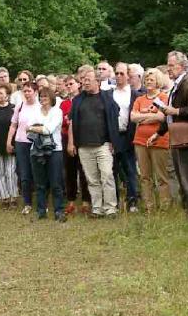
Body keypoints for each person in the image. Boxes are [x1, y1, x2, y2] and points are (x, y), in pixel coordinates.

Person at [151, 51, 188, 219]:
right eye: (168, 65)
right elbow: (169, 114)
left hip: (187, 138)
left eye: (171, 65)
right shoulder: (178, 83)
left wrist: (175, 110)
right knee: (182, 176)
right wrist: (160, 132)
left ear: (182, 66)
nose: (168, 69)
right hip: (178, 136)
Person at [67, 68, 122, 218]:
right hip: (84, 146)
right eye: (83, 80)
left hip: (103, 145)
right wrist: (71, 143)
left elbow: (114, 119)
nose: (85, 82)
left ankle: (110, 208)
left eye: (88, 80)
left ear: (97, 81)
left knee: (107, 175)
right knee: (92, 180)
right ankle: (97, 208)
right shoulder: (78, 100)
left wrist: (113, 140)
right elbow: (71, 122)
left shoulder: (107, 98)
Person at [130, 68, 172, 212]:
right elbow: (132, 117)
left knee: (161, 176)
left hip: (159, 140)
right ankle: (149, 207)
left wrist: (142, 115)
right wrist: (151, 115)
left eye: (151, 80)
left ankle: (165, 207)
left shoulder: (163, 97)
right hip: (140, 141)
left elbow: (162, 117)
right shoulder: (139, 99)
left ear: (158, 81)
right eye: (146, 80)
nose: (148, 82)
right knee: (145, 176)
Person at [26, 87, 66, 222]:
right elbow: (28, 128)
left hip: (54, 150)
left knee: (56, 183)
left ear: (51, 98)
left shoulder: (57, 112)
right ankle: (41, 210)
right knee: (40, 183)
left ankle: (59, 211)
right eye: (41, 97)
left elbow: (48, 130)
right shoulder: (35, 111)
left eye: (45, 97)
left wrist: (34, 128)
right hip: (36, 150)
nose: (43, 99)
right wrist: (36, 128)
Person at [6, 81, 41, 214]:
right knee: (24, 174)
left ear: (35, 92)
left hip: (36, 143)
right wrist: (9, 141)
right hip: (21, 142)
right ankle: (27, 203)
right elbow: (13, 125)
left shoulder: (41, 107)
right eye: (24, 91)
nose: (26, 94)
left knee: (37, 173)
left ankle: (41, 202)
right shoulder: (19, 106)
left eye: (29, 91)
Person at [60, 74, 91, 215]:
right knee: (70, 171)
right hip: (66, 137)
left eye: (71, 83)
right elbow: (61, 122)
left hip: (83, 138)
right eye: (66, 84)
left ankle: (86, 202)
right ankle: (71, 201)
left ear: (78, 84)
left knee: (84, 170)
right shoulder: (64, 103)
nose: (68, 87)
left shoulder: (84, 100)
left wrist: (71, 119)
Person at [112, 62, 139, 212]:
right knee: (113, 170)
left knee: (130, 170)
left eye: (122, 73)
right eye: (116, 73)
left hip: (129, 136)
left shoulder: (134, 94)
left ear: (128, 75)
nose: (118, 76)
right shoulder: (110, 93)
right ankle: (114, 202)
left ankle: (133, 201)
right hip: (114, 136)